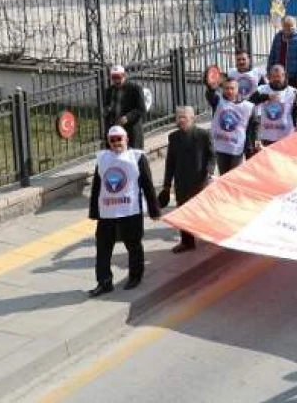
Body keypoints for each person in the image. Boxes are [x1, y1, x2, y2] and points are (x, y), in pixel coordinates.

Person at [88, 126, 161, 297]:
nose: (116, 143)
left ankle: (135, 276)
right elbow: (97, 187)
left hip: (130, 210)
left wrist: (154, 210)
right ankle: (104, 281)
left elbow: (148, 185)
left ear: (126, 139)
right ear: (108, 142)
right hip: (107, 212)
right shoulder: (103, 159)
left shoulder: (137, 157)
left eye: (119, 139)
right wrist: (94, 212)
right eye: (112, 140)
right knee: (103, 247)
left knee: (133, 244)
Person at [159, 107, 214, 253]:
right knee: (183, 211)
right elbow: (170, 161)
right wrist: (166, 184)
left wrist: (209, 172)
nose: (181, 119)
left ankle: (209, 235)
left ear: (192, 117)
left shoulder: (203, 134)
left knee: (201, 210)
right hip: (181, 181)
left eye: (184, 117)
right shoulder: (173, 137)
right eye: (178, 117)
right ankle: (187, 242)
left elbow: (211, 155)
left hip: (200, 180)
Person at [204, 77, 257, 174]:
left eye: (232, 88)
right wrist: (211, 88)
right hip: (221, 146)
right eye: (226, 88)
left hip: (236, 148)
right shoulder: (218, 101)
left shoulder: (248, 106)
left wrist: (252, 143)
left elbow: (253, 126)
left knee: (234, 175)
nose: (229, 91)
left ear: (237, 89)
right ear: (223, 89)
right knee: (223, 175)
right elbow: (210, 95)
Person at [246, 65, 297, 148]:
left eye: (279, 76)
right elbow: (250, 101)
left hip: (286, 136)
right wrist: (266, 97)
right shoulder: (262, 89)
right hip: (266, 136)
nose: (277, 79)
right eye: (274, 76)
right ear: (269, 77)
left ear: (284, 76)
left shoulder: (292, 91)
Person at [103, 64, 146, 149]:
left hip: (131, 130)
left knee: (133, 157)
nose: (116, 80)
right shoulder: (109, 91)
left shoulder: (135, 89)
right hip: (115, 130)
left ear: (124, 76)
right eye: (113, 78)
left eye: (118, 77)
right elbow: (106, 107)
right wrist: (106, 110)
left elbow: (141, 109)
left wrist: (127, 118)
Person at [266, 16, 297, 89]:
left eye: (291, 26)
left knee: (292, 97)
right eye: (286, 26)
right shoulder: (277, 37)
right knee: (278, 95)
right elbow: (272, 55)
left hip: (292, 75)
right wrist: (269, 71)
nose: (289, 28)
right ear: (282, 26)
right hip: (277, 74)